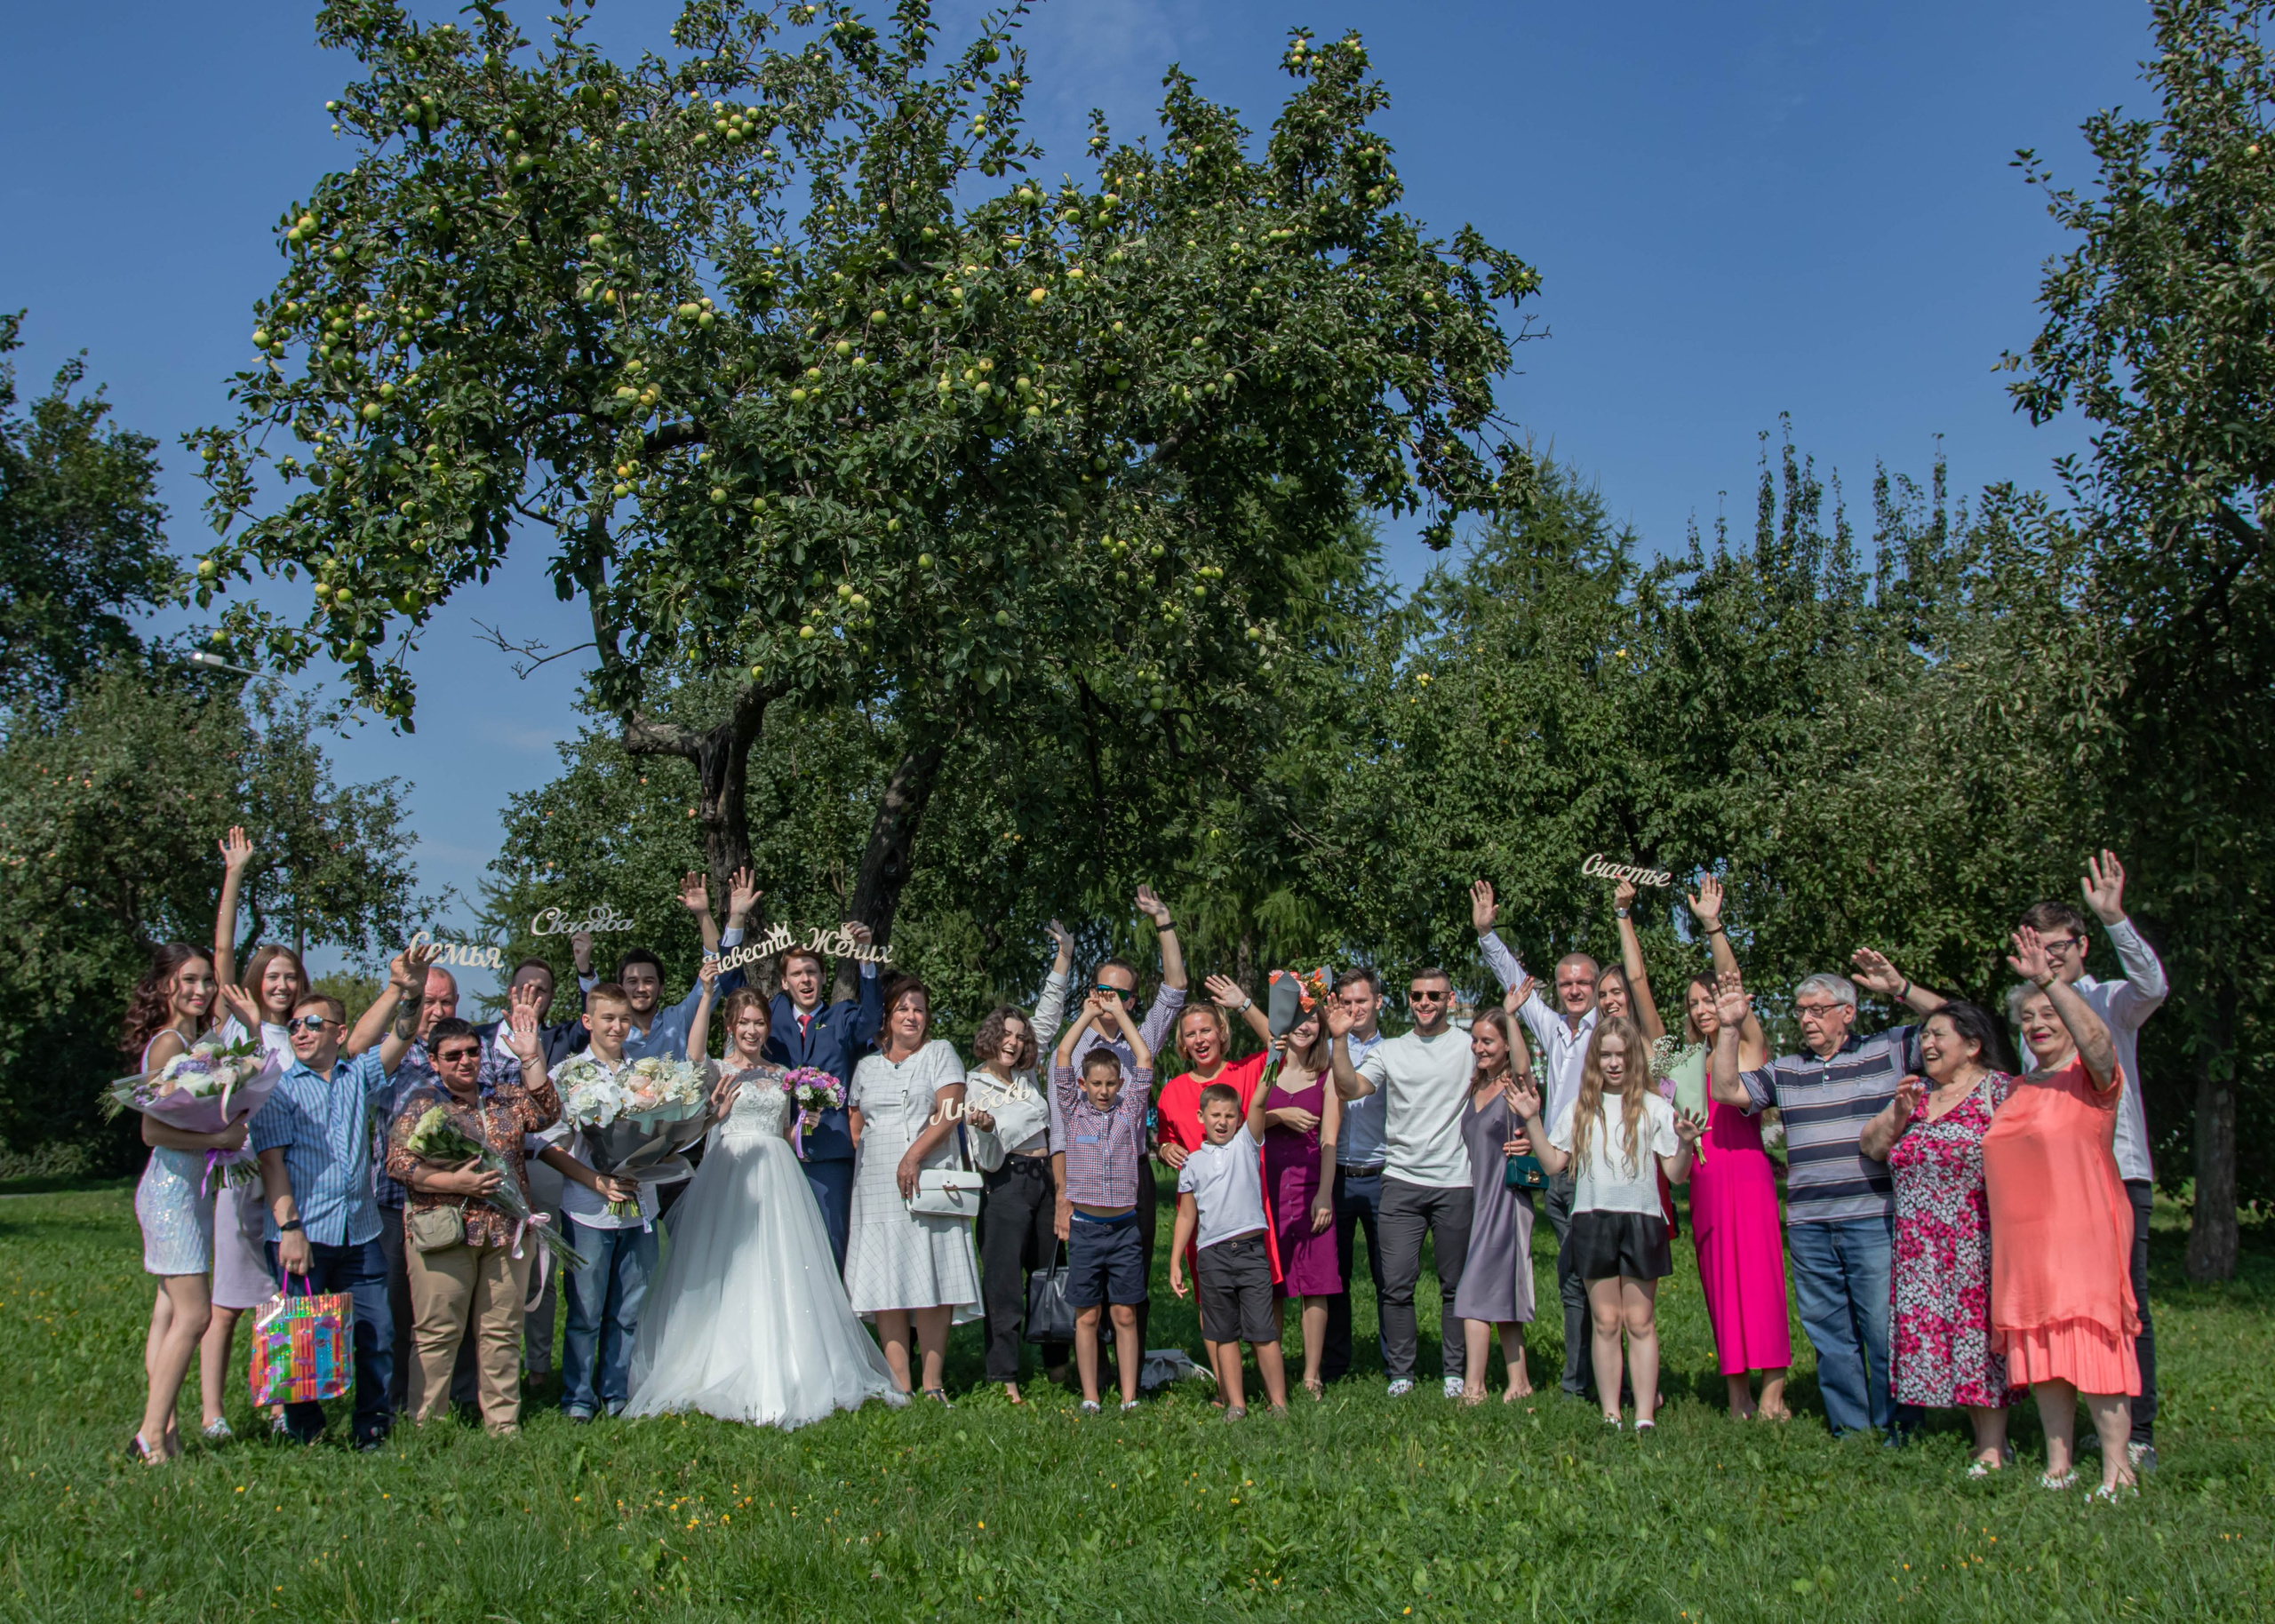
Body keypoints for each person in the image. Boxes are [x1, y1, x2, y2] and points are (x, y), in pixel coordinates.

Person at [625, 987, 902, 1426]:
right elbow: (694, 1052)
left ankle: (792, 1362)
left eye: (759, 1023)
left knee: (782, 1263)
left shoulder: (781, 1074)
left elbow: (786, 1130)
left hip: (778, 1169)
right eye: (745, 1023)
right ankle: (717, 1359)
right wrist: (705, 994)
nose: (753, 1031)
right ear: (731, 1027)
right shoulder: (716, 1070)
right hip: (731, 1169)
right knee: (726, 1263)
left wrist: (803, 1125)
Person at [1709, 958, 1943, 1439]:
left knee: (1881, 1327)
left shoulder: (1889, 1050)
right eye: (1801, 1012)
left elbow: (1955, 1023)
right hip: (1810, 1224)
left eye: (1818, 1010)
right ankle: (1850, 1430)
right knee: (1828, 1330)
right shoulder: (1787, 1072)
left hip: (1872, 1217)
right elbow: (1726, 1089)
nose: (1807, 1019)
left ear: (1848, 1013)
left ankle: (1900, 1428)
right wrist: (1730, 1028)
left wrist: (1902, 987)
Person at [248, 943, 434, 1449]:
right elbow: (272, 1166)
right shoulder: (277, 1090)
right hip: (303, 1234)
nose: (302, 1032)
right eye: (296, 1026)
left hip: (361, 1231)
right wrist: (289, 1231)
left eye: (313, 1024)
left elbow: (401, 1033)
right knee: (299, 1337)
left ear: (338, 1032)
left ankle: (371, 1427)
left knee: (376, 1337)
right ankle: (304, 1432)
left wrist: (409, 991)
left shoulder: (359, 1077)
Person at [1620, 876, 1791, 1421]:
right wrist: (1624, 916)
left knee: (1762, 1282)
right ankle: (1737, 1393)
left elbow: (1731, 982)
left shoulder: (1744, 1050)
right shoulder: (1676, 1060)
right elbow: (1638, 985)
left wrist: (1713, 927)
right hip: (1707, 1183)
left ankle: (1772, 1395)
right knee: (1721, 1287)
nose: (1701, 1009)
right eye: (1693, 1004)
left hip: (1750, 1176)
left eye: (1709, 999)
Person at [1984, 926, 2141, 1497]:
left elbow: (2099, 1042)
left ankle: (2118, 1472)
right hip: (2025, 1250)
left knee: (2094, 1344)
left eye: (2049, 1013)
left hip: (2082, 1235)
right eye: (2028, 1018)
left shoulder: (2093, 1077)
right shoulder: (2020, 1087)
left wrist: (2049, 980)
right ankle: (2058, 1464)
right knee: (2042, 1346)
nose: (2038, 1024)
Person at [2022, 853, 2167, 1473]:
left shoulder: (2110, 1000)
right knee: (2063, 1304)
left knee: (2123, 1304)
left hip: (2115, 1173)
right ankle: (2081, 1427)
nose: (2049, 959)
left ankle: (2138, 1431)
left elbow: (2154, 987)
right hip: (2053, 1188)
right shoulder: (2030, 1013)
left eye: (2058, 947)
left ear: (2081, 945)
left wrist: (2114, 918)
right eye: (2036, 947)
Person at [382, 998, 563, 1435]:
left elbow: (548, 1112)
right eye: (453, 1055)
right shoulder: (423, 1103)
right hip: (444, 1230)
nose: (465, 1062)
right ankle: (427, 1422)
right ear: (434, 1060)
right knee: (438, 1331)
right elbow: (399, 1163)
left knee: (502, 1330)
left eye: (472, 1052)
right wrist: (453, 1184)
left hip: (506, 1233)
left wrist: (530, 1057)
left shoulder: (504, 1098)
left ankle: (502, 1423)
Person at [1514, 1015, 1701, 1431]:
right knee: (1605, 1321)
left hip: (1642, 1221)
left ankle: (1644, 1416)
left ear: (1633, 1058)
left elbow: (1675, 1174)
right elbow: (1552, 1164)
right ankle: (1611, 1412)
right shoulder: (1580, 1107)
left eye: (1621, 1055)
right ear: (1595, 1060)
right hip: (1593, 1220)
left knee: (1639, 1322)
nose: (1614, 1063)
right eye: (1606, 1055)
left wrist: (1686, 1143)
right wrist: (1531, 1119)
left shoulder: (1656, 1107)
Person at [1858, 999, 2016, 1473]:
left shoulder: (2001, 1092)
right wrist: (1899, 1114)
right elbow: (1871, 1145)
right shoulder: (1918, 1094)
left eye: (1938, 1035)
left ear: (1972, 1046)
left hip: (1973, 1242)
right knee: (1939, 1338)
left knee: (1974, 1339)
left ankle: (1992, 1446)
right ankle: (1967, 1433)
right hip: (1918, 1247)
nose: (1926, 1043)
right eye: (1924, 1035)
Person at [1050, 886, 1188, 1368]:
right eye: (1102, 991)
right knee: (1088, 1286)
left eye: (1120, 994)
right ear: (1092, 990)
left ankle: (1133, 1366)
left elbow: (1175, 990)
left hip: (1134, 1176)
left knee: (1133, 1277)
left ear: (1131, 998)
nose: (1109, 1000)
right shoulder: (1073, 1045)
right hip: (1084, 1186)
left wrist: (1163, 922)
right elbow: (1059, 1129)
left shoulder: (1139, 1036)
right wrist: (1063, 1197)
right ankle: (1092, 1371)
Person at [1473, 879, 1600, 1399]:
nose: (1573, 990)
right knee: (1572, 1280)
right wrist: (1487, 934)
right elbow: (1515, 989)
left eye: (1583, 983)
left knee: (1610, 1284)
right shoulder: (1555, 1031)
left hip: (1606, 1169)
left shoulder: (1613, 1032)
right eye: (1566, 983)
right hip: (1562, 1170)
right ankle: (1577, 1385)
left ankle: (1629, 1382)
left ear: (1597, 986)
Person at [1329, 965, 1477, 1400]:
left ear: (1450, 1000)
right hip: (1401, 1180)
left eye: (1434, 995)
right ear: (1408, 1001)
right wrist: (1338, 1038)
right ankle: (1401, 1374)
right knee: (1395, 1284)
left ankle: (1454, 1371)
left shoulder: (1468, 1047)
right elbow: (1349, 1087)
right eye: (1417, 996)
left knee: (1455, 1285)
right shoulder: (1391, 1051)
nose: (1425, 1003)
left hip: (1455, 1181)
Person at [124, 943, 248, 1462]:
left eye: (205, 982)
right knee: (195, 1317)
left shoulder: (200, 1042)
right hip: (170, 1192)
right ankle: (150, 1435)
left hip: (192, 1191)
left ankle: (165, 1432)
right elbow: (153, 1129)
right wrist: (218, 1140)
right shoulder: (167, 1044)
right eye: (189, 980)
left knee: (169, 1313)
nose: (201, 990)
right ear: (165, 984)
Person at [204, 827, 302, 1443]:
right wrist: (234, 873)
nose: (283, 986)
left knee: (278, 1295)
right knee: (225, 1300)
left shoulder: (303, 1035)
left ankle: (276, 1408)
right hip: (238, 1176)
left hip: (288, 1182)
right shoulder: (237, 1024)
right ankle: (213, 1413)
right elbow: (219, 957)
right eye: (274, 976)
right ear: (257, 979)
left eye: (291, 977)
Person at [845, 978, 981, 1402]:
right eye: (902, 1008)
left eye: (918, 1009)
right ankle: (899, 1384)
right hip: (876, 1183)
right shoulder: (867, 1066)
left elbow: (950, 1111)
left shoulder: (939, 1053)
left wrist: (912, 1156)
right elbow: (855, 1121)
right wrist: (884, 1157)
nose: (911, 1016)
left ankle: (933, 1382)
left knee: (931, 1273)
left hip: (928, 1173)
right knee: (886, 1277)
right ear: (887, 1017)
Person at [347, 951, 469, 1415]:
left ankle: (453, 1399)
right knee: (394, 1312)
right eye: (430, 1002)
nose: (438, 1012)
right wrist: (404, 992)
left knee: (448, 1311)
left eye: (447, 1002)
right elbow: (356, 1051)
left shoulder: (465, 1050)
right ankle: (392, 1402)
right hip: (395, 1202)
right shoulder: (396, 1053)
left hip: (454, 1202)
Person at [535, 982, 659, 1423]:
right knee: (586, 1311)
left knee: (627, 1309)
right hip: (588, 1208)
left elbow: (662, 1131)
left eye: (624, 1019)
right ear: (588, 1021)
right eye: (608, 1018)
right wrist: (595, 1179)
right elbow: (546, 1145)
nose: (618, 1027)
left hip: (640, 1204)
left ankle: (616, 1392)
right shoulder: (566, 1074)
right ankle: (578, 1398)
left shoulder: (646, 1073)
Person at [470, 949, 592, 1384]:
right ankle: (481, 1370)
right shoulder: (477, 1038)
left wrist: (584, 970)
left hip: (541, 1163)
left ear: (551, 998)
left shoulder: (560, 1038)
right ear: (510, 991)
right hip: (481, 1169)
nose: (532, 995)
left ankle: (538, 1367)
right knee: (486, 1267)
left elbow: (592, 1013)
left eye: (542, 990)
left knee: (541, 1267)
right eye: (525, 987)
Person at [1154, 977, 1277, 1392]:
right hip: (1204, 1222)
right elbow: (1166, 1140)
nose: (1200, 1039)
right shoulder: (1171, 1092)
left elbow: (1280, 1044)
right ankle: (1229, 1391)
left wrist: (1244, 1003)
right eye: (1191, 1034)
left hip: (1249, 1209)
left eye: (1206, 1029)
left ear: (1221, 1034)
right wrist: (1164, 1149)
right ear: (1183, 1044)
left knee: (1263, 1298)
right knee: (1212, 1304)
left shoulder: (1245, 1072)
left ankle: (1269, 1384)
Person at [962, 965, 1070, 1403]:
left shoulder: (1025, 1076)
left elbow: (1046, 1016)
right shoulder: (974, 1086)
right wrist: (987, 1129)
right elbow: (986, 1160)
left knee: (1052, 1273)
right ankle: (1003, 1374)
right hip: (1005, 1184)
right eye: (1007, 1034)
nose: (1015, 1042)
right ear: (992, 1036)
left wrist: (1063, 959)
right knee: (1004, 1281)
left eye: (1021, 1037)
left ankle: (1058, 1366)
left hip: (1045, 1179)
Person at [1052, 990, 1157, 1414]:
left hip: (1124, 1229)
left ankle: (1130, 1397)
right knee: (1087, 1315)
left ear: (1120, 1084)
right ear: (1083, 1084)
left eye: (1111, 1083)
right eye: (1095, 1083)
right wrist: (1087, 1015)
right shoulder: (1073, 1109)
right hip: (1085, 1229)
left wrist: (1118, 1014)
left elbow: (1144, 1058)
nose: (1103, 1090)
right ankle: (1091, 1395)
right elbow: (1063, 1053)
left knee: (1126, 1314)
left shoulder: (1129, 1110)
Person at [762, 915, 885, 1272]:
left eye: (813, 972)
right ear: (785, 982)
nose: (806, 980)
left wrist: (866, 960)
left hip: (830, 1155)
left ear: (823, 977)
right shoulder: (769, 1020)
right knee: (781, 1247)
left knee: (832, 1248)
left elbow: (872, 1019)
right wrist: (733, 922)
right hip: (779, 1152)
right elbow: (733, 989)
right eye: (798, 974)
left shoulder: (842, 1018)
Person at [1168, 1082, 1289, 1418]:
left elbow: (1261, 1100)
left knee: (1263, 1332)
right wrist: (1175, 1261)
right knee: (1224, 1334)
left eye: (1230, 1115)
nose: (1222, 1121)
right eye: (1215, 1115)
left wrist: (1274, 1056)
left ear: (1240, 1119)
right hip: (1212, 1256)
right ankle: (1237, 1404)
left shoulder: (1247, 1144)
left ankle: (1279, 1404)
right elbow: (1187, 1215)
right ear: (1201, 1117)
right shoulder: (1191, 1163)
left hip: (1251, 1252)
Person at [1450, 1001, 1539, 1405]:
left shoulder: (1515, 1086)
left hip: (1507, 1198)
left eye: (1488, 1041)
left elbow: (1523, 1065)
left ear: (1506, 1045)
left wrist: (1514, 1017)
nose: (1479, 1048)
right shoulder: (1476, 1086)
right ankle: (1518, 1383)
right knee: (1501, 1292)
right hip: (1481, 1197)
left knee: (1472, 1292)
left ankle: (1475, 1386)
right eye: (1475, 1040)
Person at [1257, 993, 1342, 1398]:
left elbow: (1329, 1141)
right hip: (1267, 1186)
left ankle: (1311, 1374)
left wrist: (1325, 1193)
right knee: (1272, 1281)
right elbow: (1249, 1123)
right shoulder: (1265, 1068)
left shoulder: (1326, 1077)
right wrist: (1279, 1116)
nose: (1305, 1026)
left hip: (1310, 1185)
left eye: (1313, 1020)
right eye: (1297, 1019)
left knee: (1315, 1282)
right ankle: (1272, 1370)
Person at [1321, 967, 1390, 1384]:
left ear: (1378, 1002)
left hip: (1384, 1173)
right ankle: (1333, 1363)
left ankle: (1396, 1362)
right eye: (1345, 1002)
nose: (1353, 1009)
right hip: (1337, 1176)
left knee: (1390, 1276)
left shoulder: (1395, 1051)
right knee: (1335, 1276)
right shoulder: (1323, 1049)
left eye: (1361, 1001)